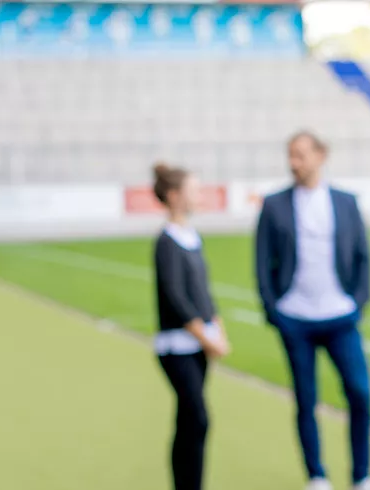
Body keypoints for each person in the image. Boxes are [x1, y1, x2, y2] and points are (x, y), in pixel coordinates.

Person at [254, 130, 370, 490]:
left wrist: (358, 303)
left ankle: (362, 476)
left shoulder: (345, 202)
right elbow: (262, 262)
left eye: (300, 154)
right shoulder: (274, 204)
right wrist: (274, 310)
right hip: (295, 318)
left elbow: (363, 255)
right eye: (290, 155)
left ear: (320, 155)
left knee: (360, 393)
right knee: (305, 398)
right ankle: (316, 475)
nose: (293, 162)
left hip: (341, 317)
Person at [150, 162, 229, 490]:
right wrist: (206, 337)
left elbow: (203, 292)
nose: (199, 196)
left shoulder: (191, 237)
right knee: (197, 417)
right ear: (174, 196)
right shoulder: (166, 242)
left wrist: (218, 329)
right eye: (193, 190)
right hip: (177, 346)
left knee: (188, 421)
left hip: (197, 345)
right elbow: (176, 298)